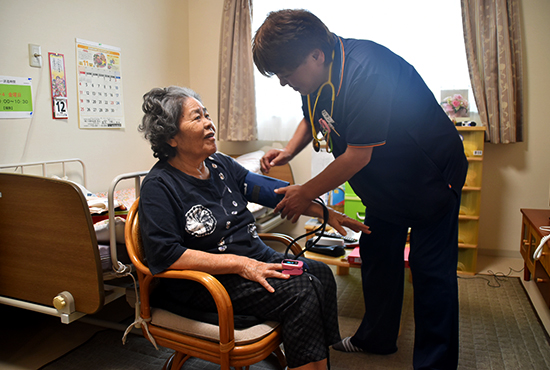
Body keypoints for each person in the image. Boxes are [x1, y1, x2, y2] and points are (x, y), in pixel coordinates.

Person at [252, 9, 468, 370]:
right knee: (378, 252)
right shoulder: (317, 72)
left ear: (316, 55)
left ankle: (436, 363)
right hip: (385, 183)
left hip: (428, 175)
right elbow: (313, 113)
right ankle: (377, 338)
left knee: (430, 269)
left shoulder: (368, 70)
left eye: (287, 75)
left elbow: (356, 157)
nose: (284, 83)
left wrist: (305, 192)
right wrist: (289, 151)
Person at [137, 86, 371, 370]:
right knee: (300, 290)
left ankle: (316, 362)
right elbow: (165, 255)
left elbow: (270, 190)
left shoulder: (219, 164)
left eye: (207, 114)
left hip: (252, 260)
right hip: (206, 282)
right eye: (197, 118)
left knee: (320, 272)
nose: (209, 123)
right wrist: (241, 264)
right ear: (171, 137)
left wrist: (325, 212)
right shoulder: (159, 185)